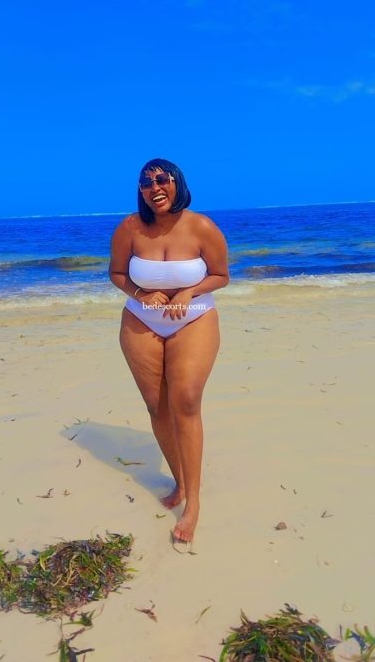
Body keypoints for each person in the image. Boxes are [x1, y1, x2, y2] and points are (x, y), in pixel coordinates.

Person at [109, 158, 229, 548]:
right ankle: (180, 482)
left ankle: (193, 504)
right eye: (146, 183)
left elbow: (221, 276)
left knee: (186, 399)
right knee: (157, 405)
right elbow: (117, 273)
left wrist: (189, 291)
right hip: (140, 320)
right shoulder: (130, 227)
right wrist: (141, 294)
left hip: (194, 318)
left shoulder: (202, 227)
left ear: (177, 182)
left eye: (162, 179)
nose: (154, 187)